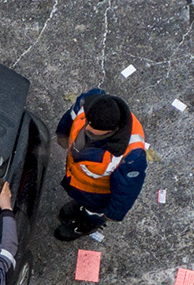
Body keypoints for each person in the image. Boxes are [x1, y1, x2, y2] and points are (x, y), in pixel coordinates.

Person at [53, 90, 147, 242]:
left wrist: (112, 214)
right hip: (78, 181)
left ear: (110, 131)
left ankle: (83, 226)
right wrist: (62, 135)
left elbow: (126, 191)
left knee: (93, 214)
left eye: (93, 127)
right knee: (80, 200)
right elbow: (70, 117)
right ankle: (79, 205)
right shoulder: (89, 103)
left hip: (98, 196)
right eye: (88, 121)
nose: (86, 127)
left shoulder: (131, 157)